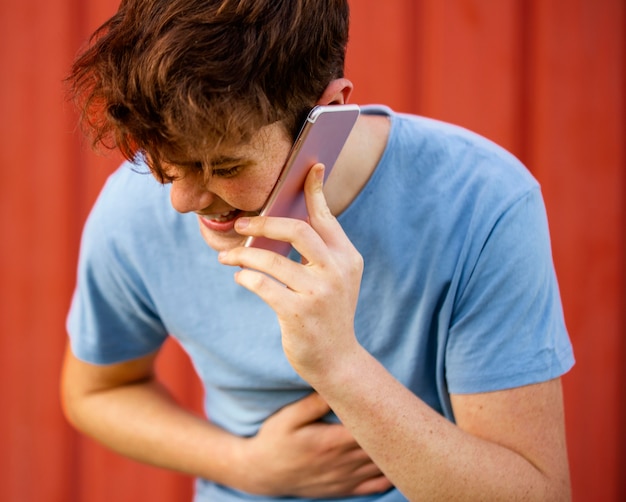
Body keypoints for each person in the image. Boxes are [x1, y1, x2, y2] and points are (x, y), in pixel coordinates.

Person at [61, 0, 575, 500]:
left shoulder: (483, 202)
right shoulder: (132, 209)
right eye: (167, 164)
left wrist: (338, 364)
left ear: (327, 113)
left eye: (225, 167)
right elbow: (96, 391)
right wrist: (247, 467)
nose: (181, 201)